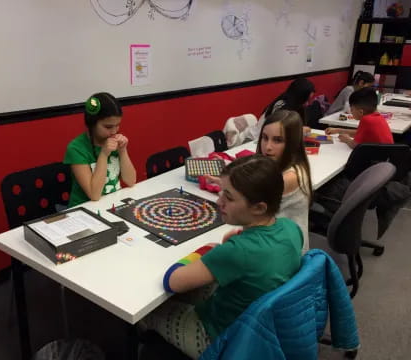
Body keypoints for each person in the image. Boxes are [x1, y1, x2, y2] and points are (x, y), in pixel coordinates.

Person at [141, 155, 303, 359]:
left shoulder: (237, 252)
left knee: (145, 312)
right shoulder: (291, 228)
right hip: (260, 326)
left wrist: (207, 249)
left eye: (229, 197)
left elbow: (171, 281)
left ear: (259, 207)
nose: (219, 201)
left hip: (218, 337)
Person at [206, 110, 312, 253]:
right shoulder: (293, 167)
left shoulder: (288, 178)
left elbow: (247, 201)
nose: (267, 147)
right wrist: (226, 184)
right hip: (278, 243)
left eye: (277, 140)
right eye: (265, 137)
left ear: (292, 143)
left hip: (283, 253)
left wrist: (228, 186)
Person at [64, 92, 136, 206]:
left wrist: (123, 151)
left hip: (111, 203)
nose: (114, 131)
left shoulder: (114, 141)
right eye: (108, 127)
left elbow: (130, 181)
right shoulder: (76, 148)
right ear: (92, 123)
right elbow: (94, 195)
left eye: (117, 125)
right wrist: (103, 154)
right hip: (85, 208)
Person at [324, 87, 394, 149]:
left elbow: (355, 145)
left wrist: (347, 139)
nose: (351, 112)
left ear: (361, 112)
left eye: (352, 109)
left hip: (375, 161)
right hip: (386, 158)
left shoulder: (366, 120)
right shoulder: (378, 117)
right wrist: (337, 130)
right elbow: (359, 133)